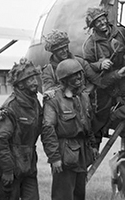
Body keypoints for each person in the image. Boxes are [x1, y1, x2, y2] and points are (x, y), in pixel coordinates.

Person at [82, 5, 125, 141]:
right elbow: (87, 65)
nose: (102, 23)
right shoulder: (90, 44)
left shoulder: (121, 32)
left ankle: (114, 116)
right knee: (99, 118)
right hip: (106, 86)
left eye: (103, 19)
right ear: (93, 25)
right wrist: (100, 64)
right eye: (97, 22)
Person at [41, 58, 98, 200]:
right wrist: (54, 157)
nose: (79, 77)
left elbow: (87, 125)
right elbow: (48, 130)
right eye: (74, 75)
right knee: (63, 196)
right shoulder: (54, 100)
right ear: (64, 79)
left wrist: (93, 145)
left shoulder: (83, 97)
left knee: (79, 195)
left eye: (80, 74)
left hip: (82, 155)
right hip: (65, 156)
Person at [0, 58, 42, 200]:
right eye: (30, 79)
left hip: (29, 166)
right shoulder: (11, 106)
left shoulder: (35, 102)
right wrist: (7, 170)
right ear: (20, 84)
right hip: (11, 167)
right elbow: (1, 140)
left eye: (35, 78)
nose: (35, 82)